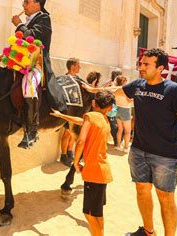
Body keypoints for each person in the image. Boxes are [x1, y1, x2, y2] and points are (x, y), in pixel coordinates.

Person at [99, 48, 177, 236]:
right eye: (141, 63)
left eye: (146, 64)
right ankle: (149, 232)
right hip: (138, 152)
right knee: (142, 191)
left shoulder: (174, 90)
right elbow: (117, 92)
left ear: (160, 68)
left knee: (165, 198)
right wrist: (94, 90)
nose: (141, 67)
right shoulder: (138, 85)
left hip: (165, 156)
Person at [51, 90, 115, 236]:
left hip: (93, 173)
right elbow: (79, 121)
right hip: (102, 172)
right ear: (110, 108)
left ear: (93, 103)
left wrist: (75, 162)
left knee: (89, 214)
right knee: (97, 213)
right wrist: (61, 115)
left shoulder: (90, 116)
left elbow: (80, 141)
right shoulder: (104, 120)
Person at [11, 0, 67, 148]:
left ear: (38, 4)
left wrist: (19, 25)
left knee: (28, 83)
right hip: (21, 62)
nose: (24, 5)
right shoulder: (29, 20)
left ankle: (32, 130)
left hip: (38, 65)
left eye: (27, 2)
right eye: (24, 2)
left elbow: (32, 38)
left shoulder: (44, 18)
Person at [60, 58, 81, 166]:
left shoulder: (77, 79)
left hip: (76, 112)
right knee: (67, 133)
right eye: (78, 65)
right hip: (68, 112)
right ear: (72, 67)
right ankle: (63, 155)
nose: (80, 67)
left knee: (73, 134)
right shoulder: (65, 79)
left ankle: (69, 152)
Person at [114, 75, 132, 153]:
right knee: (127, 131)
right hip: (125, 110)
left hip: (117, 109)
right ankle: (126, 147)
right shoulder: (123, 90)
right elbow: (130, 100)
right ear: (122, 82)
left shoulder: (115, 90)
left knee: (120, 129)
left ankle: (118, 146)